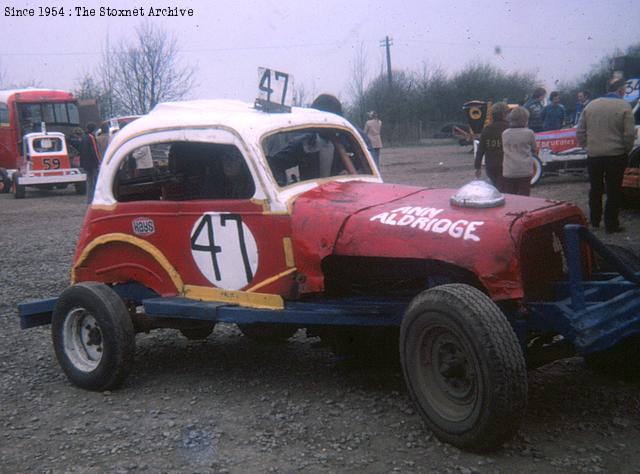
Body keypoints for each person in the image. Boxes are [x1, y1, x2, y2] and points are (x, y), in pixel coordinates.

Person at [576, 78, 636, 233]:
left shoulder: (591, 105)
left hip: (594, 155)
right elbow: (629, 134)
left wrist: (587, 146)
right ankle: (611, 224)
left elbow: (580, 131)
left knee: (595, 188)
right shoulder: (624, 106)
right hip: (616, 154)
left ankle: (595, 220)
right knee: (613, 189)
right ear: (621, 90)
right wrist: (626, 149)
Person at [501, 107, 538, 196]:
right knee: (524, 196)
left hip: (509, 171)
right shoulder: (529, 133)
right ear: (525, 120)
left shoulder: (505, 133)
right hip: (524, 170)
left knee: (510, 196)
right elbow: (534, 149)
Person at [474, 102, 510, 191]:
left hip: (491, 165)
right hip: (506, 165)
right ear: (505, 114)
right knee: (506, 190)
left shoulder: (487, 129)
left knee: (496, 188)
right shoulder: (509, 128)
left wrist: (477, 167)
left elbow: (480, 149)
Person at [79, 122, 102, 203]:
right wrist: (100, 161)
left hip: (86, 163)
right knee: (95, 181)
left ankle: (89, 199)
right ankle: (95, 198)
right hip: (93, 163)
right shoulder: (91, 137)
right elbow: (95, 150)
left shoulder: (83, 137)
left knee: (89, 181)